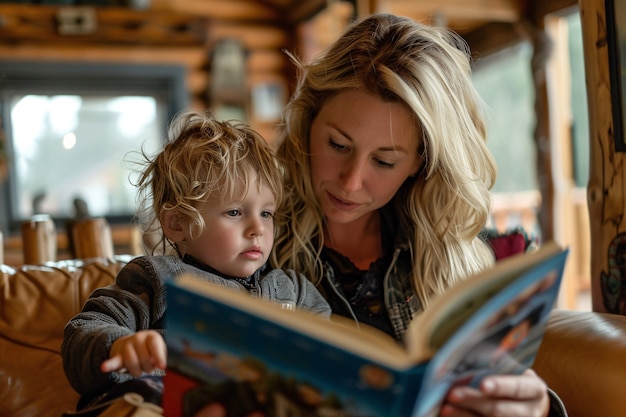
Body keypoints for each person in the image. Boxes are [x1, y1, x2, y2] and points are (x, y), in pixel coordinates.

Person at [270, 13, 566, 417]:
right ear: (309, 124)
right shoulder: (249, 235)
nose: (351, 182)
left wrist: (539, 407)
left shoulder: (453, 258)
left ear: (420, 163)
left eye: (385, 162)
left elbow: (493, 386)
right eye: (338, 145)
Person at [61, 110, 331, 413]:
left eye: (266, 213)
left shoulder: (294, 291)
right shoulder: (156, 277)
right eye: (235, 212)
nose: (258, 228)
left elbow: (331, 356)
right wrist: (119, 345)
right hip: (160, 400)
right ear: (177, 224)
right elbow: (82, 332)